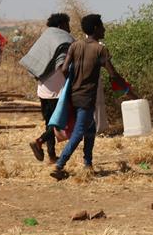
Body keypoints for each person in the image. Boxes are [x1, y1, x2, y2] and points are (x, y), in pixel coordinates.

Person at [50, 14, 131, 181]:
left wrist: (74, 83)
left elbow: (64, 69)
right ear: (95, 28)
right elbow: (113, 74)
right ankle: (59, 164)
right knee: (79, 132)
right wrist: (127, 89)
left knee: (90, 129)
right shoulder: (100, 49)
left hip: (74, 94)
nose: (104, 29)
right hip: (87, 97)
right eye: (102, 26)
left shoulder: (75, 46)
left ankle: (88, 164)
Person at [24, 13, 74, 164]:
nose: (69, 28)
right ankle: (39, 141)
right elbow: (62, 66)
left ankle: (51, 156)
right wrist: (71, 84)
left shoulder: (44, 39)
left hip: (43, 89)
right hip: (57, 89)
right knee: (59, 122)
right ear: (60, 26)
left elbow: (35, 63)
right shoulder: (62, 40)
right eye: (67, 25)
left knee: (49, 122)